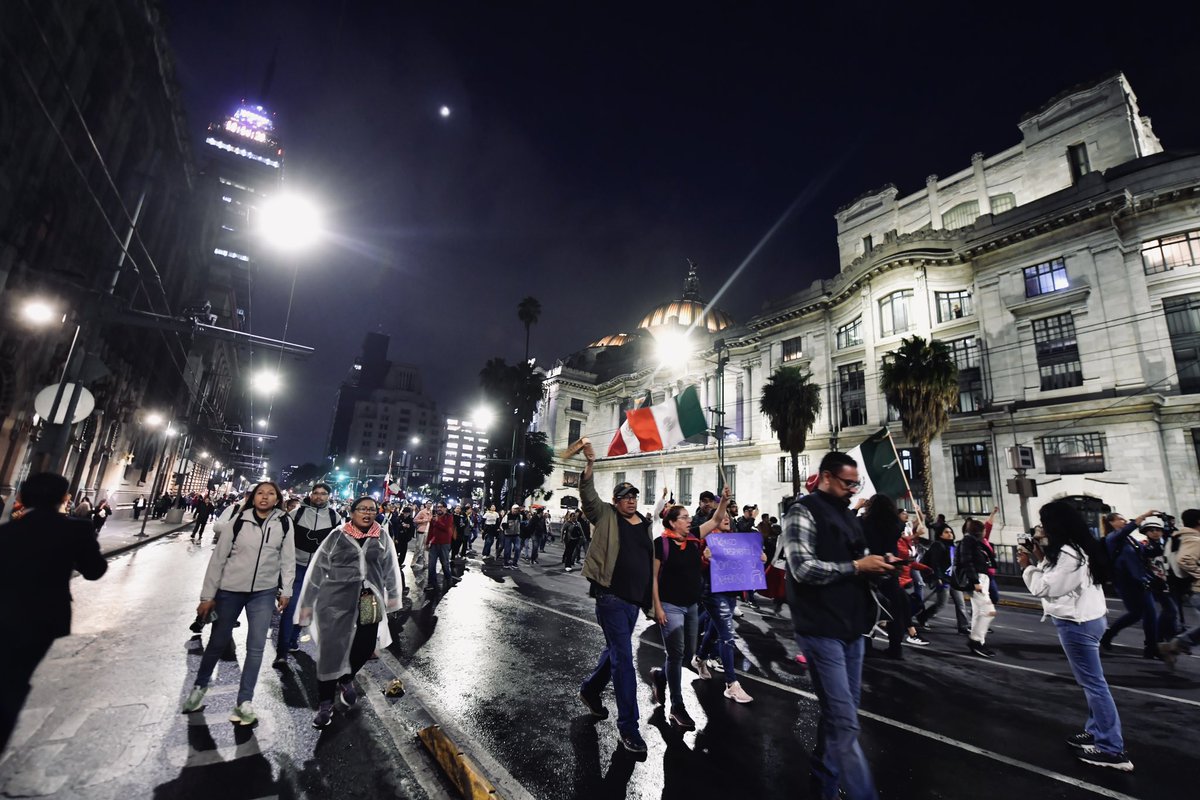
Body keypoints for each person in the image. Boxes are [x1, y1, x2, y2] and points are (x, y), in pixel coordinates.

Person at [782, 451, 893, 800]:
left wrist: (881, 565)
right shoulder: (803, 510)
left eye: (855, 484)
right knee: (844, 722)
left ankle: (824, 785)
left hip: (852, 629)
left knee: (839, 717)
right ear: (827, 477)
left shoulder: (848, 516)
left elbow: (856, 559)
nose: (852, 489)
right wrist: (859, 567)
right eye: (847, 483)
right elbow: (802, 568)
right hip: (820, 629)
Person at [1020, 501, 1132, 772]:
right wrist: (1039, 556)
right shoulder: (1076, 547)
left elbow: (1046, 587)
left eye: (1044, 522)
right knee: (1092, 684)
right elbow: (1056, 576)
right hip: (1086, 619)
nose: (1041, 528)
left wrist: (1026, 566)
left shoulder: (1070, 553)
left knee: (1094, 685)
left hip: (1077, 624)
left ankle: (1111, 749)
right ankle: (1095, 731)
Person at [0, 473, 107, 754]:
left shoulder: (7, 531)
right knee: (14, 682)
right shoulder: (76, 529)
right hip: (43, 619)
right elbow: (95, 571)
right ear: (63, 498)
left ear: (22, 497)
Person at [180, 481, 295, 726]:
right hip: (230, 591)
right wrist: (207, 596)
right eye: (260, 493)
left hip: (264, 592)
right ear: (253, 497)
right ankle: (199, 688)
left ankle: (245, 702)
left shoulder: (284, 523)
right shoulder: (239, 520)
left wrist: (286, 590)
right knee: (217, 642)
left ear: (277, 499)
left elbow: (287, 559)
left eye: (270, 494)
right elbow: (218, 559)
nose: (265, 497)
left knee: (256, 647)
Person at [298, 496, 403, 729]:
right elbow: (317, 569)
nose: (367, 513)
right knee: (331, 652)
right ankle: (325, 705)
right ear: (352, 511)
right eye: (362, 509)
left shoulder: (382, 537)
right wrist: (306, 603)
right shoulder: (337, 535)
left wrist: (394, 596)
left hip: (370, 600)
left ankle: (346, 677)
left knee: (366, 647)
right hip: (335, 599)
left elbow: (391, 567)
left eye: (372, 509)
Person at [577, 441, 653, 754]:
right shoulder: (605, 515)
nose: (631, 500)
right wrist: (591, 465)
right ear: (616, 501)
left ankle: (591, 690)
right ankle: (629, 728)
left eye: (634, 495)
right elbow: (588, 497)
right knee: (624, 660)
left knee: (615, 652)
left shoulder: (645, 524)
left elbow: (649, 561)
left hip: (634, 602)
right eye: (625, 497)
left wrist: (651, 601)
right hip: (610, 598)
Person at [650, 496, 725, 730]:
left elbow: (716, 519)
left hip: (692, 605)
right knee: (675, 654)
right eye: (684, 517)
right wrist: (658, 607)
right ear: (672, 523)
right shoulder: (660, 544)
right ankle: (677, 706)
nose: (689, 520)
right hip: (669, 606)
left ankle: (661, 677)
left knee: (687, 655)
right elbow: (652, 577)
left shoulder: (693, 539)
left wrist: (724, 501)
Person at [695, 487, 755, 702]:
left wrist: (759, 559)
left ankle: (699, 658)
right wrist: (705, 558)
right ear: (714, 520)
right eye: (723, 517)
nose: (727, 519)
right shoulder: (707, 539)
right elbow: (698, 566)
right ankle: (732, 684)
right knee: (727, 636)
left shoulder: (735, 540)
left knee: (713, 628)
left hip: (730, 591)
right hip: (711, 591)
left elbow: (746, 567)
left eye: (729, 517)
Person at [275, 483, 340, 667]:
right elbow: (283, 539)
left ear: (329, 496)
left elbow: (338, 545)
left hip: (319, 571)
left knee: (306, 609)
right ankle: (281, 652)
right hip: (296, 568)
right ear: (311, 495)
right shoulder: (297, 514)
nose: (319, 497)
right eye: (316, 493)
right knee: (290, 610)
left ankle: (293, 639)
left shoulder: (335, 517)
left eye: (323, 494)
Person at [1100, 510, 1161, 656]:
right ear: (1111, 523)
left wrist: (1154, 539)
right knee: (1137, 614)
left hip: (1140, 580)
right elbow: (1127, 529)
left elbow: (1147, 552)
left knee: (1147, 614)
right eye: (1120, 519)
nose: (1124, 521)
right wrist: (1145, 515)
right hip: (1126, 582)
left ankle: (1150, 647)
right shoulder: (1112, 538)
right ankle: (1109, 635)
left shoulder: (1130, 540)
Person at [1159, 508, 1200, 667]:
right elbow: (1185, 560)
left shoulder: (1179, 537)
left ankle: (1175, 645)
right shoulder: (1193, 539)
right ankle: (1176, 644)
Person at [956, 518, 997, 657]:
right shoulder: (968, 541)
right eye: (984, 529)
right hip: (976, 580)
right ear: (978, 531)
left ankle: (980, 643)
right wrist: (975, 581)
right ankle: (975, 640)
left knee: (979, 611)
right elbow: (966, 561)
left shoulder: (976, 542)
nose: (986, 531)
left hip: (981, 579)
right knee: (988, 610)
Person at [425, 502, 458, 590]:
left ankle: (448, 579)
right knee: (431, 564)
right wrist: (427, 542)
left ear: (445, 508)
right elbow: (431, 531)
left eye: (441, 507)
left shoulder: (449, 517)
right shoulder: (434, 517)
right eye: (438, 507)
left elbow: (446, 528)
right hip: (434, 544)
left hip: (444, 544)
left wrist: (437, 521)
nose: (439, 508)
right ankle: (431, 583)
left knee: (445, 564)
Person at [413, 503, 432, 569]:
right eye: (428, 504)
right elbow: (415, 520)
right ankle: (413, 561)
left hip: (429, 532)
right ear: (426, 505)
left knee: (426, 548)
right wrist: (425, 520)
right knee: (418, 547)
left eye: (430, 504)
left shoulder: (432, 513)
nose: (429, 505)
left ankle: (425, 563)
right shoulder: (422, 512)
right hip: (421, 531)